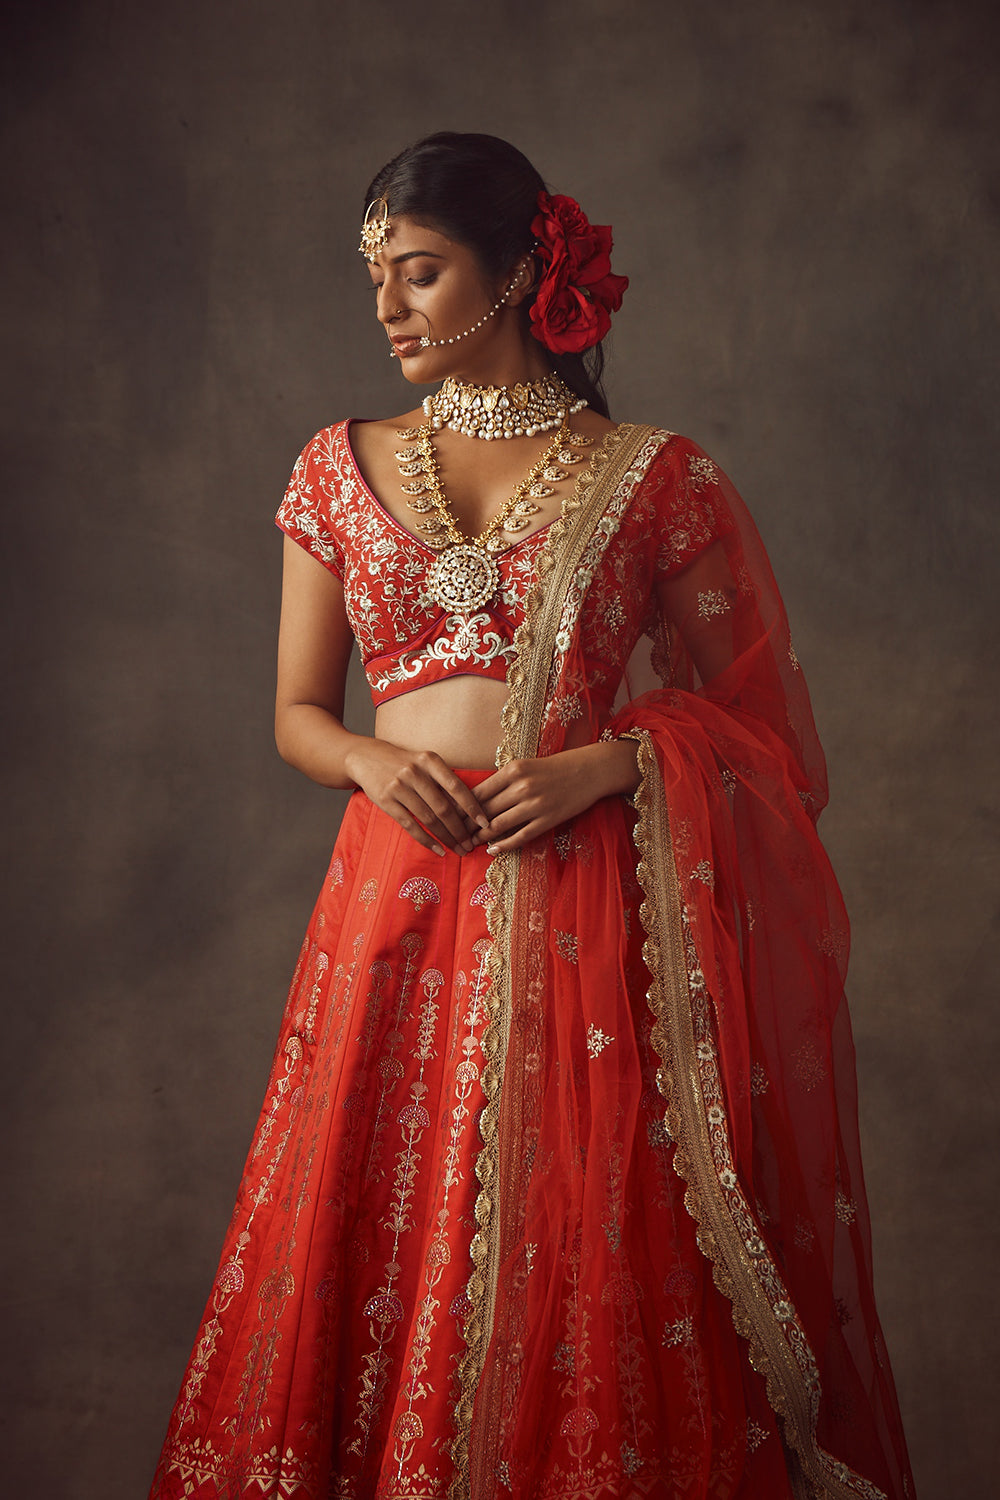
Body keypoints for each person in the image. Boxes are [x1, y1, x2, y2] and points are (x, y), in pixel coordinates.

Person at [149, 133, 915, 1500]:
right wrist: (369, 765)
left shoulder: (653, 476)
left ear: (518, 275)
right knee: (371, 1225)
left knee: (589, 1235)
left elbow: (759, 732)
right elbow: (296, 714)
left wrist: (610, 763)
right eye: (376, 277)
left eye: (420, 273)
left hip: (582, 926)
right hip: (388, 907)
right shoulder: (335, 466)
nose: (385, 307)